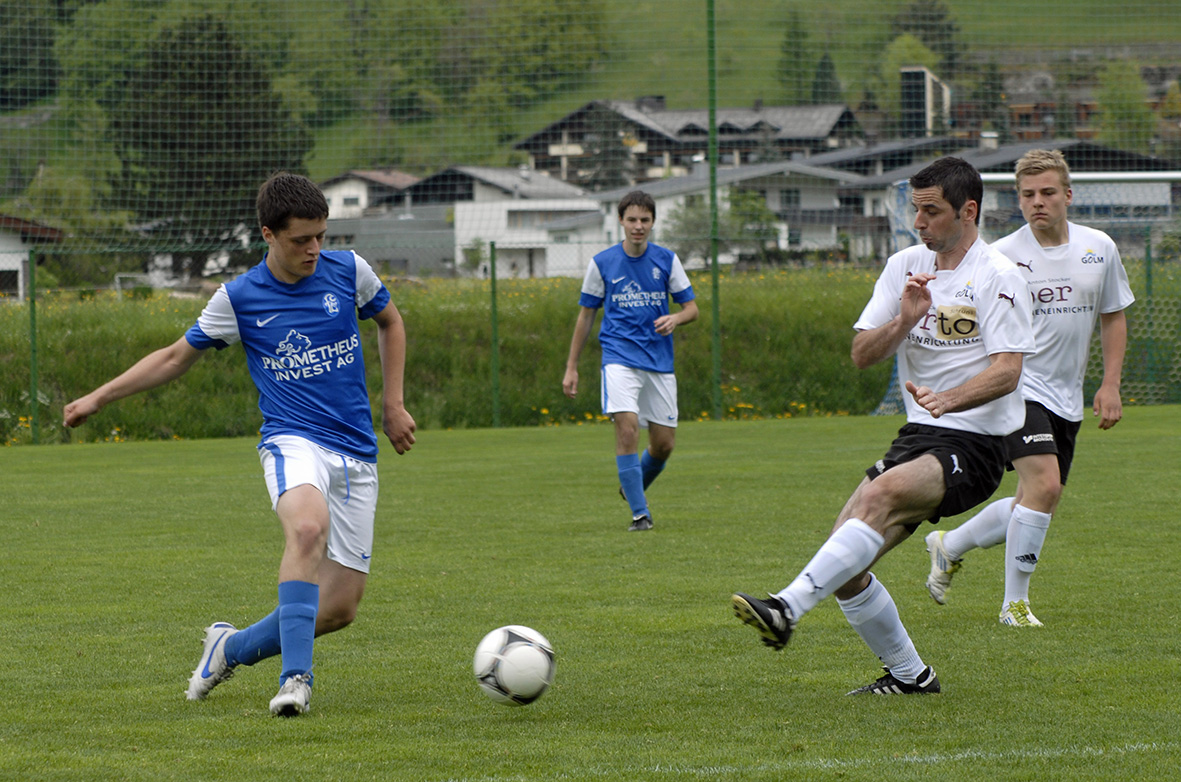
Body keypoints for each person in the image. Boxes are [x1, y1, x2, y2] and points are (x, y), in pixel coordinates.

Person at [63, 172, 416, 717]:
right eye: (301, 239)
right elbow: (175, 357)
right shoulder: (240, 297)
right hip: (292, 439)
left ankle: (228, 648)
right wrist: (99, 397)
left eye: (321, 236)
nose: (314, 249)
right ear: (268, 234)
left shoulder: (350, 271)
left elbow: (390, 323)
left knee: (339, 608)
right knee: (306, 528)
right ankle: (296, 679)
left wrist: (392, 404)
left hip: (355, 451)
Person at [731, 157, 1034, 694]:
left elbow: (1008, 370)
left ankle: (785, 608)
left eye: (931, 211)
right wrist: (904, 320)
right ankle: (911, 676)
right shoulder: (903, 266)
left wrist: (949, 398)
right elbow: (862, 354)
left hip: (978, 444)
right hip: (918, 438)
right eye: (916, 210)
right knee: (843, 565)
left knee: (878, 498)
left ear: (968, 211)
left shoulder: (999, 275)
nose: (918, 222)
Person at [924, 149, 1134, 626]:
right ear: (1018, 199)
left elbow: (1113, 315)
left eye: (1047, 192)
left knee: (1037, 501)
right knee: (1045, 485)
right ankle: (1013, 605)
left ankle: (949, 545)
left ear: (1068, 195)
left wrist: (1111, 384)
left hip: (1066, 396)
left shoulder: (1099, 247)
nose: (1037, 202)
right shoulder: (1001, 256)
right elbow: (964, 318)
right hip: (1017, 387)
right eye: (1027, 194)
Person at [562, 190, 698, 532]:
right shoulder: (602, 263)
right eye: (632, 219)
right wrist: (571, 367)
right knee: (626, 427)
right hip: (619, 357)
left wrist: (676, 319)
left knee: (663, 445)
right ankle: (640, 514)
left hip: (659, 360)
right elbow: (586, 316)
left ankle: (632, 485)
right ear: (621, 220)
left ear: (653, 223)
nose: (638, 226)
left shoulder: (667, 260)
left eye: (645, 220)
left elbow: (692, 309)